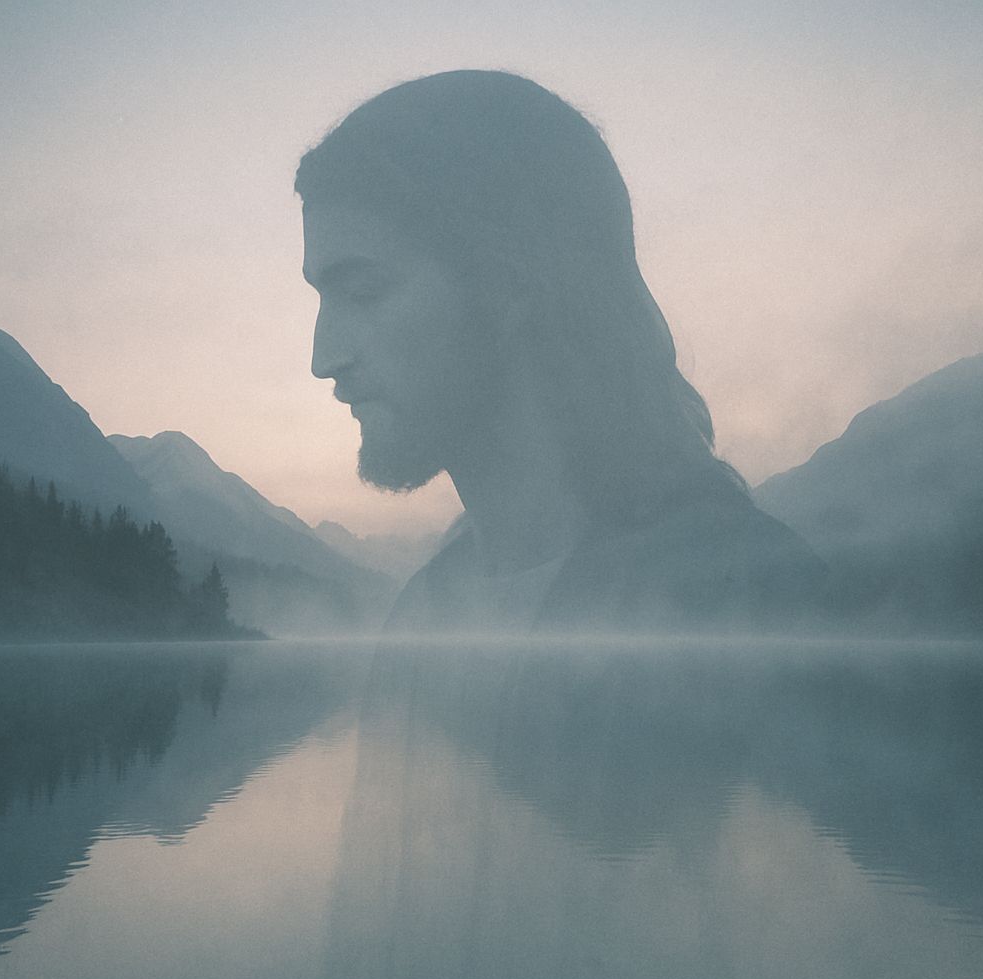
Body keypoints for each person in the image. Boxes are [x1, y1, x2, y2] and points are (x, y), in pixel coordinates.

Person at [295, 69, 824, 635]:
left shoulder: (753, 604)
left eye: (363, 293)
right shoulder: (426, 617)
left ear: (509, 284)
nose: (324, 358)